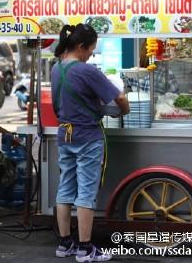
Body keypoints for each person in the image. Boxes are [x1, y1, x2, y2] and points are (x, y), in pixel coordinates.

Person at [51, 23, 129, 262]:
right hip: (87, 136)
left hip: (65, 134)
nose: (91, 54)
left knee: (65, 188)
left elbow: (56, 105)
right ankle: (85, 248)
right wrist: (124, 110)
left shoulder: (56, 68)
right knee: (86, 191)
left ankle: (65, 244)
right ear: (82, 47)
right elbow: (118, 98)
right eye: (91, 49)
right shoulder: (87, 70)